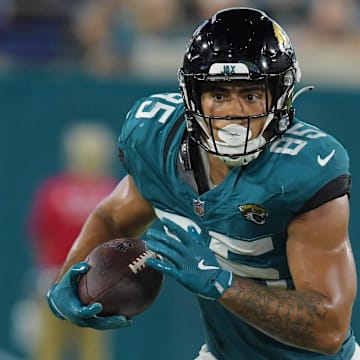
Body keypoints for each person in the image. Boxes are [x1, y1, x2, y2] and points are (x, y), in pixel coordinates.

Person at [46, 7, 359, 360]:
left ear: (280, 97)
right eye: (219, 95)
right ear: (193, 97)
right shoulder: (157, 139)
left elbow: (329, 328)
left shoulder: (303, 170)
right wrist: (65, 283)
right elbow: (114, 216)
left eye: (251, 95)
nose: (234, 112)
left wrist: (222, 284)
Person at [27, 122, 118, 360]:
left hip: (58, 278)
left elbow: (40, 235)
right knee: (89, 349)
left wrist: (44, 272)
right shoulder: (112, 193)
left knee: (50, 348)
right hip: (94, 283)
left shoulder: (54, 190)